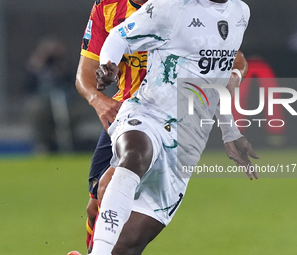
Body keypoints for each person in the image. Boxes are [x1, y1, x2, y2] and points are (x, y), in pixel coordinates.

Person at [88, 0, 258, 254]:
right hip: (148, 113)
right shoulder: (171, 7)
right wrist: (109, 65)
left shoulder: (240, 12)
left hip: (186, 144)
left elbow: (216, 80)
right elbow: (119, 36)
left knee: (127, 246)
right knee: (134, 154)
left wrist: (230, 132)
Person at [75, 0, 149, 252]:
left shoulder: (177, 6)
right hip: (124, 113)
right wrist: (98, 100)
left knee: (110, 192)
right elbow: (85, 72)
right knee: (94, 207)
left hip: (164, 118)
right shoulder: (107, 7)